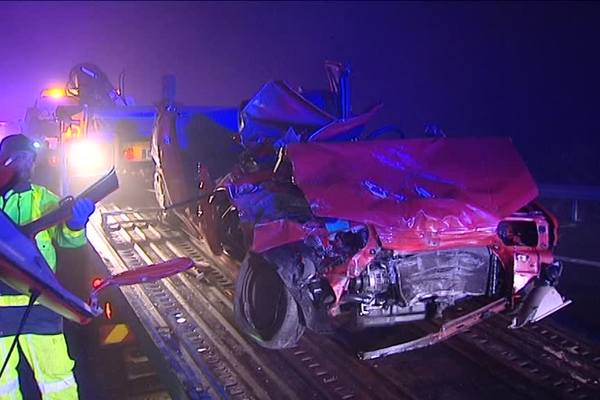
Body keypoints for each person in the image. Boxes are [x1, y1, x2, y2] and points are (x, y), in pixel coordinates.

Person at [0, 134, 95, 400]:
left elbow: (68, 239)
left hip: (40, 302)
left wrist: (76, 224)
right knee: (2, 385)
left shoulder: (45, 198)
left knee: (58, 379)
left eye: (30, 159)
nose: (25, 164)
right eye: (19, 157)